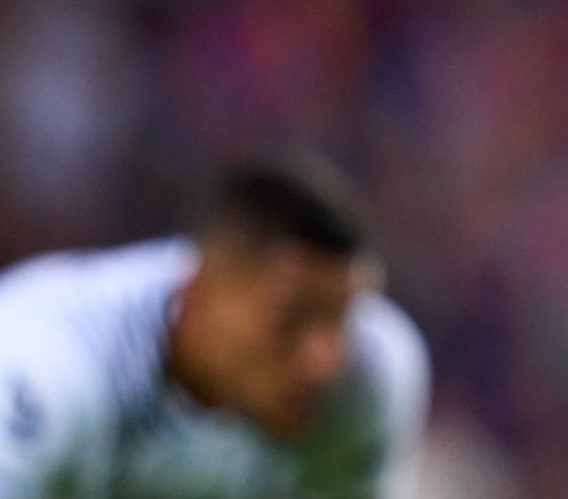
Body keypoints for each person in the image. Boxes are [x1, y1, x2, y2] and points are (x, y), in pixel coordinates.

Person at [0, 150, 431, 497]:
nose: (322, 361)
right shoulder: (42, 363)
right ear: (197, 291)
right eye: (291, 319)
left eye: (340, 320)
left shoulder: (372, 371)